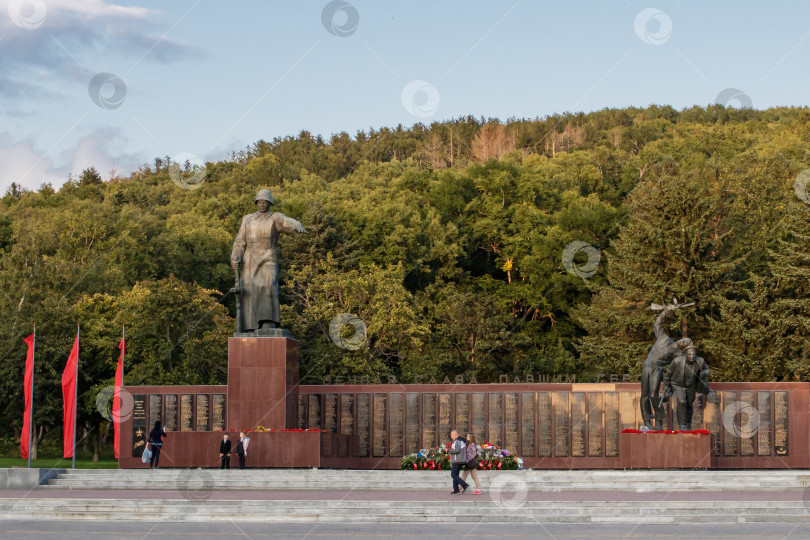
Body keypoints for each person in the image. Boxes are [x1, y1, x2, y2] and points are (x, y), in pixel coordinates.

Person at [231, 189, 307, 332]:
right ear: (256, 203)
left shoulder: (274, 217)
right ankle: (249, 325)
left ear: (269, 203)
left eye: (265, 202)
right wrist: (236, 254)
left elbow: (286, 221)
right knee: (249, 289)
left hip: (268, 255)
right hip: (250, 257)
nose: (262, 205)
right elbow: (240, 242)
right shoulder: (247, 219)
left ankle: (268, 322)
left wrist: (296, 224)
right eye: (259, 202)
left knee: (268, 285)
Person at [639, 305, 692, 430]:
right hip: (647, 366)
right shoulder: (664, 338)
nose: (682, 341)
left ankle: (658, 421)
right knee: (644, 395)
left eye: (685, 343)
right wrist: (665, 311)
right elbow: (657, 324)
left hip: (657, 369)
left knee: (653, 395)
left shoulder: (677, 354)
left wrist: (671, 387)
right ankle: (647, 421)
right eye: (683, 340)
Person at [663, 345, 710, 430]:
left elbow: (707, 369)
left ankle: (688, 424)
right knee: (681, 401)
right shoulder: (677, 361)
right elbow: (668, 374)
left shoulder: (700, 361)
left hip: (691, 385)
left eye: (694, 354)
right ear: (685, 354)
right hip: (677, 384)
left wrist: (705, 373)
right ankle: (682, 425)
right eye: (689, 354)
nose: (692, 356)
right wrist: (666, 386)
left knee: (689, 404)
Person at [448, 430, 470, 495]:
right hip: (458, 460)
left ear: (455, 435)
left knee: (453, 475)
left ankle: (465, 485)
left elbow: (457, 450)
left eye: (452, 436)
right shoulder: (460, 440)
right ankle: (456, 490)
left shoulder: (458, 441)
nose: (451, 437)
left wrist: (449, 450)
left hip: (457, 460)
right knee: (456, 475)